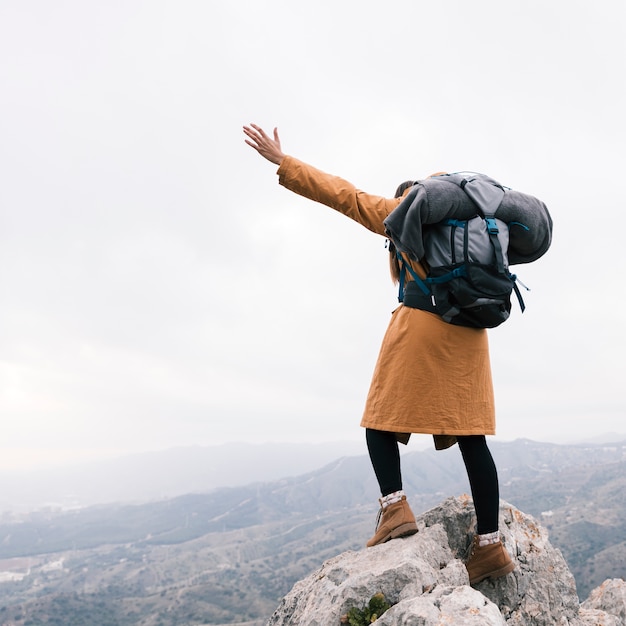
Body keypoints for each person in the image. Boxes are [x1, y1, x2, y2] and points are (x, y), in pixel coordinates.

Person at [243, 123, 515, 585]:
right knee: (473, 438)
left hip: (421, 327)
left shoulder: (404, 213)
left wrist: (284, 162)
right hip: (471, 333)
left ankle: (394, 508)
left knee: (380, 419)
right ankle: (489, 546)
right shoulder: (475, 225)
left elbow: (343, 195)